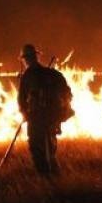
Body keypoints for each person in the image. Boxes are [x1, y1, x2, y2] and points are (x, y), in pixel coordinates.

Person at [17, 44, 73, 177]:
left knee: (37, 148)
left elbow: (21, 99)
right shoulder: (52, 74)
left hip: (37, 118)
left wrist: (25, 113)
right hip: (50, 117)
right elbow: (67, 93)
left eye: (26, 59)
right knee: (49, 147)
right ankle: (52, 176)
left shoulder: (28, 76)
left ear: (27, 59)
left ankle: (46, 176)